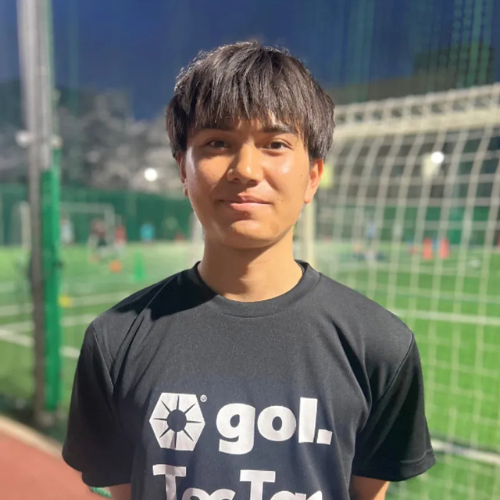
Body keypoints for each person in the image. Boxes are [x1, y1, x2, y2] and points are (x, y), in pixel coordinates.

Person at [63, 42, 435, 500]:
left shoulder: (380, 346)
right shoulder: (115, 342)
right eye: (217, 143)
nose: (245, 169)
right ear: (183, 170)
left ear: (313, 175)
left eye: (275, 144)